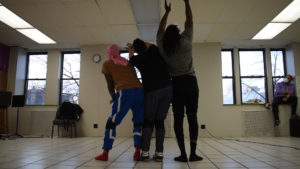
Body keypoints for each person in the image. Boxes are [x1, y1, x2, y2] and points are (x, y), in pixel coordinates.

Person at [156, 0, 203, 162]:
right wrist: (187, 2)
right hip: (190, 83)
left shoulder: (163, 46)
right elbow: (189, 20)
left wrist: (167, 12)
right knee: (192, 117)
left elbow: (160, 29)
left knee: (178, 118)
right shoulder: (186, 41)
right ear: (178, 34)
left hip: (175, 85)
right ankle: (193, 153)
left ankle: (183, 153)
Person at [95, 44, 144, 161]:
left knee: (111, 122)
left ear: (109, 53)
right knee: (138, 121)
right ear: (119, 52)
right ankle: (138, 151)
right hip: (140, 91)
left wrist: (114, 97)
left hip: (125, 91)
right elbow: (133, 77)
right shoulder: (127, 62)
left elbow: (110, 84)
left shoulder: (107, 64)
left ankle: (105, 153)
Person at [126, 39, 172, 161]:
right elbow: (149, 44)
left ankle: (145, 153)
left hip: (152, 92)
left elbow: (131, 58)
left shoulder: (138, 59)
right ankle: (159, 153)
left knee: (148, 121)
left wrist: (131, 50)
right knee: (160, 121)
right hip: (167, 89)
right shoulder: (154, 51)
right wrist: (137, 45)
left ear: (136, 50)